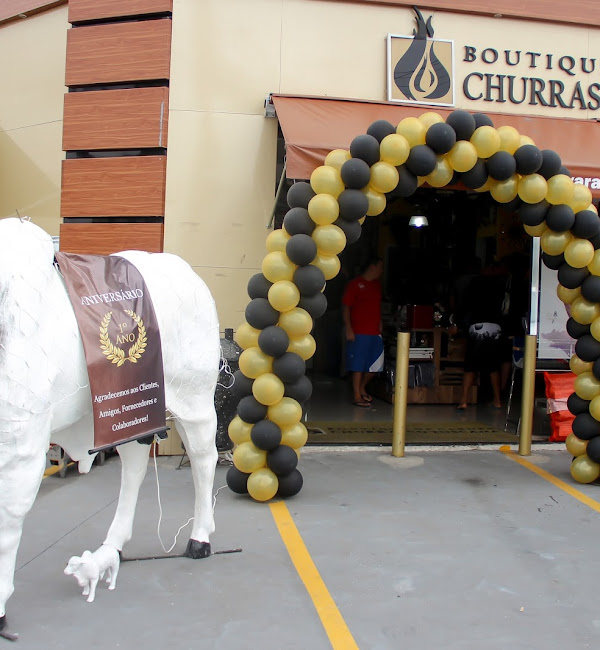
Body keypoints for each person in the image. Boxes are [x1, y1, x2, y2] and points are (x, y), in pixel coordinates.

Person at [454, 262, 508, 411]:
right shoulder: (500, 284)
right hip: (495, 327)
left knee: (470, 365)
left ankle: (464, 400)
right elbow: (505, 307)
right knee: (492, 366)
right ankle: (497, 400)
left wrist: (458, 323)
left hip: (477, 326)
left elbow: (465, 305)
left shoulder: (475, 283)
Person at [342, 258, 384, 408]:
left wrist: (380, 323)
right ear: (372, 267)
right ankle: (357, 395)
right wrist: (348, 327)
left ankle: (362, 387)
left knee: (376, 365)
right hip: (358, 331)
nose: (382, 271)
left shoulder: (377, 286)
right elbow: (346, 306)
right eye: (380, 267)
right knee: (358, 365)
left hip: (374, 331)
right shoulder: (355, 284)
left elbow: (377, 306)